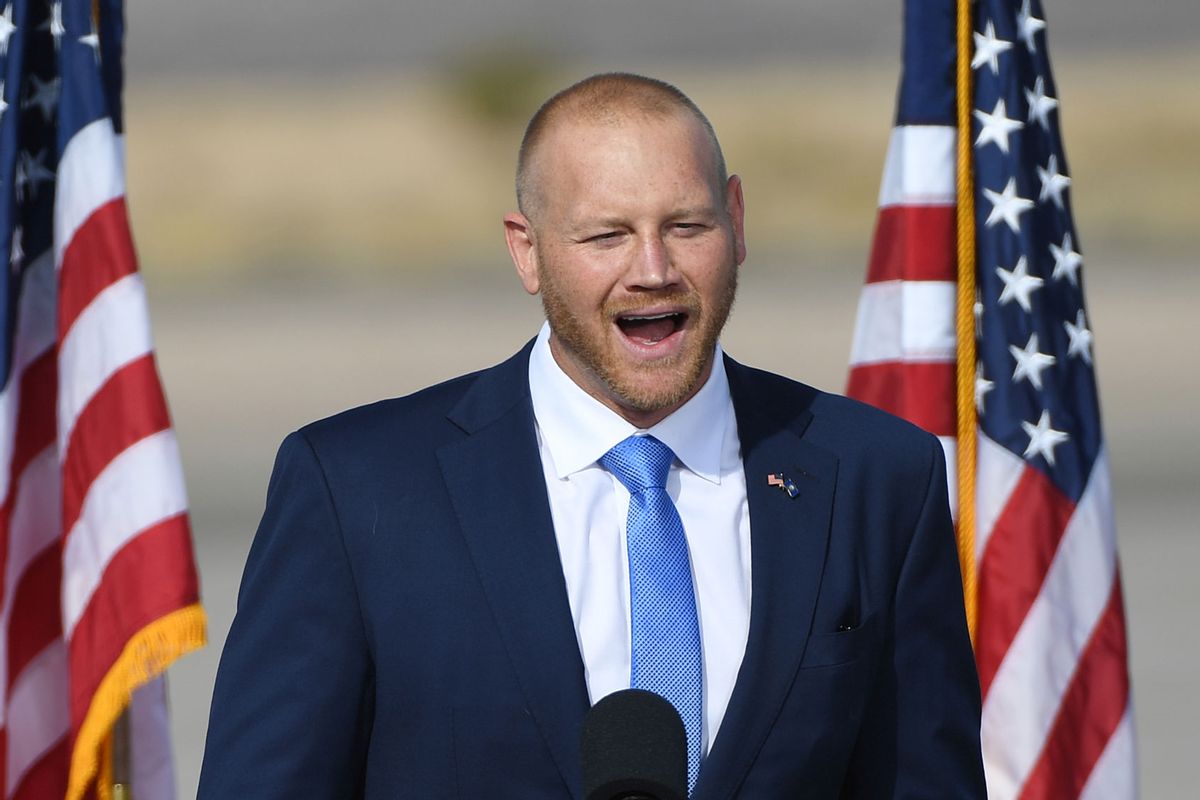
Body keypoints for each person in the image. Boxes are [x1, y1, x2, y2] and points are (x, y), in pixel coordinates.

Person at [198, 73, 985, 798]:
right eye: (606, 236)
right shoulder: (356, 491)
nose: (653, 269)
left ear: (737, 222)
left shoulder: (878, 477)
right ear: (527, 250)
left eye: (685, 225)